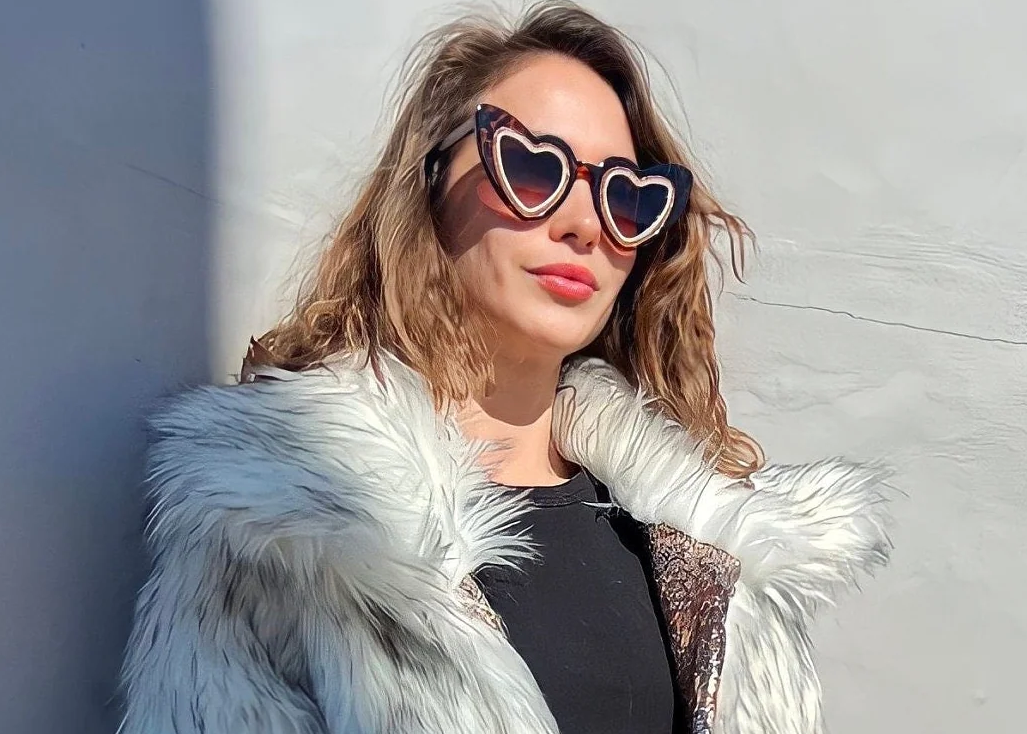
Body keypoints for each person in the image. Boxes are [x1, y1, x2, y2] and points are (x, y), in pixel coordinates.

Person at [118, 2, 895, 733]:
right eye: (531, 166)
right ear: (429, 185)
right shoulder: (285, 529)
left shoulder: (718, 556)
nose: (586, 224)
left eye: (625, 198)